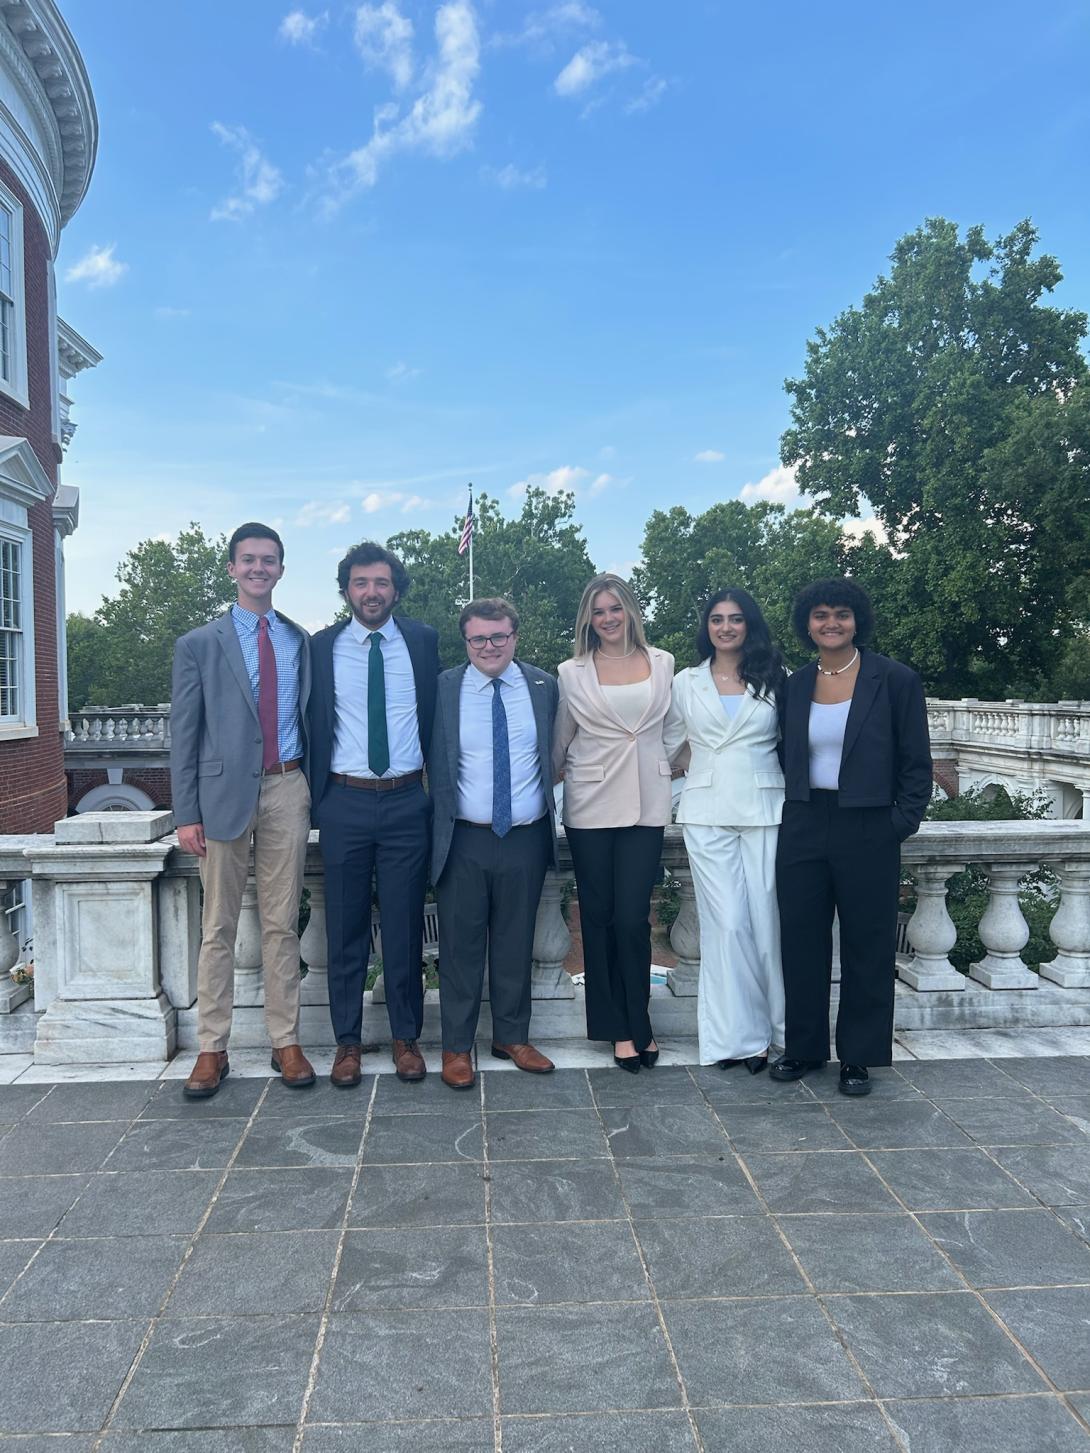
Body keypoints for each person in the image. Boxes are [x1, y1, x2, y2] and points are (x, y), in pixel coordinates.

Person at [770, 578, 932, 1096]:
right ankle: (805, 1047)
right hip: (803, 821)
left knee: (867, 945)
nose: (831, 623)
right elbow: (784, 753)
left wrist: (896, 826)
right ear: (807, 624)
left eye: (841, 613)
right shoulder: (794, 685)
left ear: (857, 619)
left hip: (868, 824)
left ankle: (859, 1057)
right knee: (800, 941)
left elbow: (916, 764)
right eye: (820, 615)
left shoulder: (895, 680)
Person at [171, 523, 314, 1099]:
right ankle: (213, 1048)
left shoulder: (299, 639)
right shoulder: (199, 644)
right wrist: (186, 812)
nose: (259, 568)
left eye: (269, 560)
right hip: (222, 794)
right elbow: (184, 734)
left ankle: (286, 1041)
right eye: (249, 560)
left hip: (288, 787)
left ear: (281, 569)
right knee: (218, 927)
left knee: (282, 922)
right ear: (231, 567)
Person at [308, 542, 440, 1087]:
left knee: (407, 924)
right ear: (346, 591)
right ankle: (347, 1043)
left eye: (381, 582)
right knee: (344, 927)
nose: (371, 592)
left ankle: (407, 1037)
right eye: (361, 583)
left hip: (409, 800)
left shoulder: (423, 642)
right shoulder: (320, 647)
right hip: (344, 801)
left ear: (396, 590)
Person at [429, 598, 558, 1091]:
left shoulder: (545, 686)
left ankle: (512, 1037)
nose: (489, 646)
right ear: (466, 642)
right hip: (463, 837)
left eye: (499, 636)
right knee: (459, 948)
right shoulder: (443, 688)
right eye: (478, 638)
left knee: (515, 942)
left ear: (515, 637)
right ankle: (456, 1047)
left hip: (525, 836)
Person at [663, 588, 787, 1073]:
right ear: (707, 627)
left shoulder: (779, 677)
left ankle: (775, 1035)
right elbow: (668, 745)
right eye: (717, 619)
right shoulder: (685, 682)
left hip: (767, 807)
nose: (726, 627)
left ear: (749, 624)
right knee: (728, 925)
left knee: (766, 926)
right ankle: (735, 1038)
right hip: (706, 811)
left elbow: (794, 743)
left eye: (736, 619)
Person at [554, 574, 674, 1072]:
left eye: (615, 609)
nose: (607, 618)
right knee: (599, 919)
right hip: (591, 803)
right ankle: (619, 1031)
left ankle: (638, 1020)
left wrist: (662, 764)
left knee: (632, 919)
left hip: (647, 803)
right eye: (598, 611)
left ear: (630, 612)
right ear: (588, 618)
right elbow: (560, 739)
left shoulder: (663, 663)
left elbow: (674, 729)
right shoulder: (571, 671)